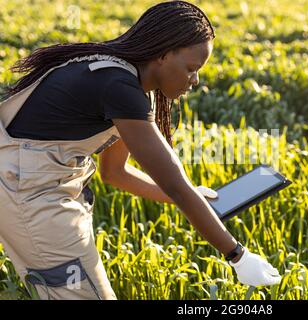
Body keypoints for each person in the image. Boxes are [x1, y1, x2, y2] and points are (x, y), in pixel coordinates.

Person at [0, 1, 281, 300]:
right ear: (163, 54)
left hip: (24, 186)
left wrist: (193, 196)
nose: (195, 80)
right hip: (29, 195)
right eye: (191, 68)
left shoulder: (116, 76)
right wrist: (237, 255)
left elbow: (115, 172)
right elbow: (175, 184)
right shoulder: (118, 87)